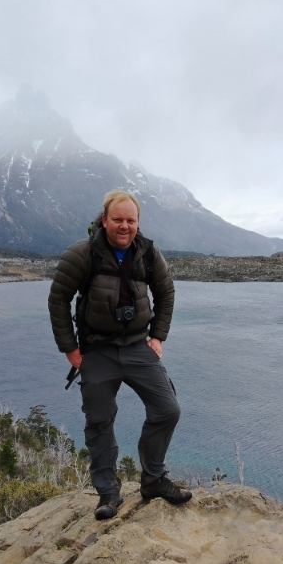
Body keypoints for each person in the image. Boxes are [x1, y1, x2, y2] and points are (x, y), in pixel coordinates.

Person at [47, 189, 190, 521]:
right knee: (99, 421)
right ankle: (108, 493)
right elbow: (58, 300)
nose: (124, 226)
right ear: (104, 220)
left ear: (138, 222)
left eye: (131, 220)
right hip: (97, 350)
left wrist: (158, 336)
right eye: (118, 220)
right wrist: (70, 349)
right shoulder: (82, 254)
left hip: (139, 346)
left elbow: (166, 291)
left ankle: (153, 480)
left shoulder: (149, 253)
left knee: (167, 409)